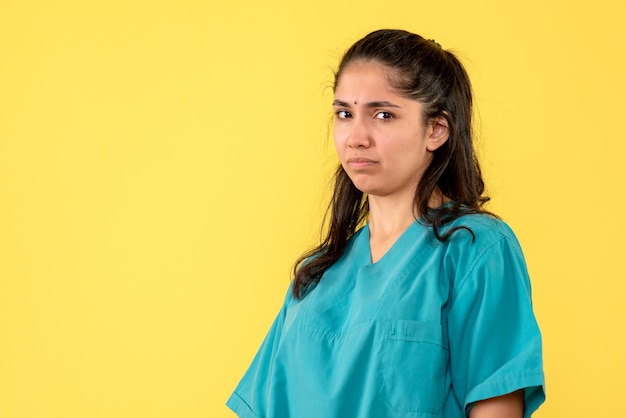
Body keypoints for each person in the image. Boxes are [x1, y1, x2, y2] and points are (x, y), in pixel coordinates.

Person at [226, 29, 545, 418]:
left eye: (383, 115)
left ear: (435, 130)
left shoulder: (476, 249)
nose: (356, 137)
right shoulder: (317, 274)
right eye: (344, 113)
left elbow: (496, 407)